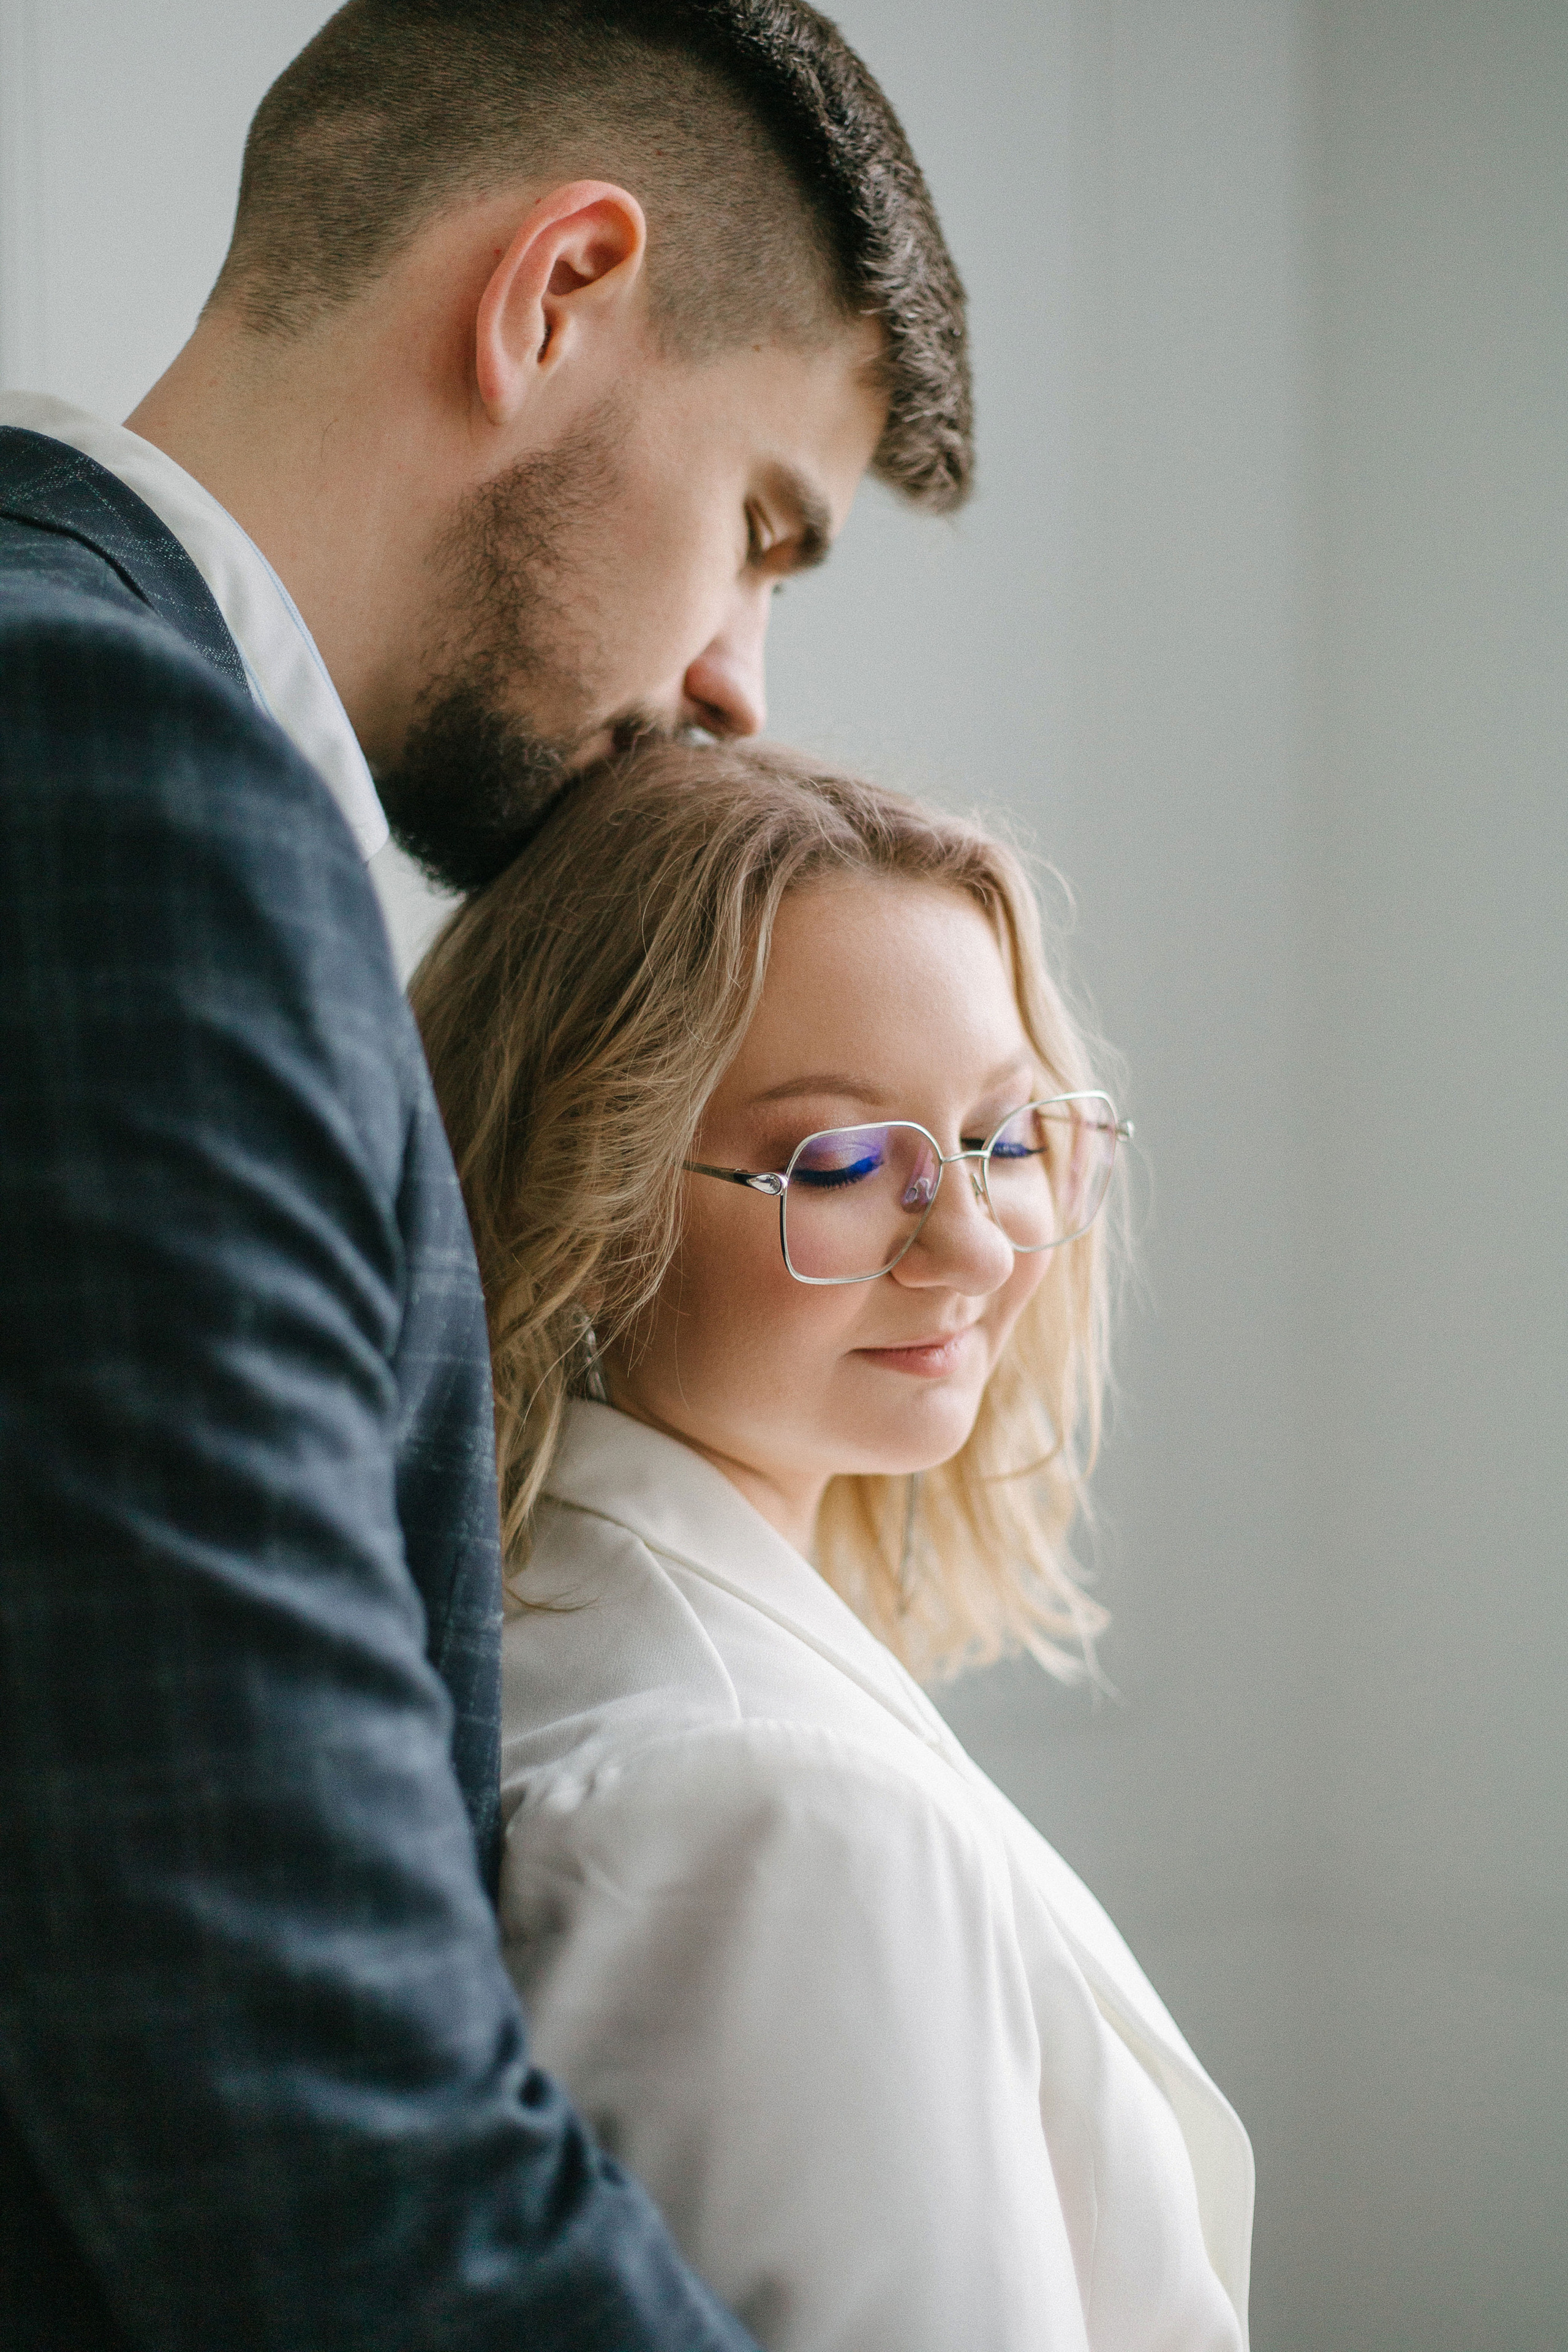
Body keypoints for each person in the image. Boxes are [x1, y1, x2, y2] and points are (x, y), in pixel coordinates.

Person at [0, 5, 970, 2345]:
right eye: (761, 527)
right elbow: (303, 2131)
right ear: (558, 293)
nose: (741, 680)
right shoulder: (125, 782)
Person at [412, 737, 1257, 2351]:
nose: (975, 1246)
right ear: (580, 1202)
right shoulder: (782, 1812)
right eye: (847, 1164)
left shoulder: (554, 1639)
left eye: (1007, 1141)